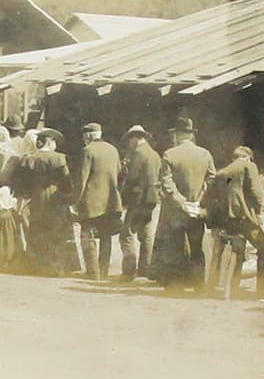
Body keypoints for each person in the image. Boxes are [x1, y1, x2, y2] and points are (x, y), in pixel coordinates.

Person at [152, 117, 216, 290]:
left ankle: (176, 284)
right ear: (191, 135)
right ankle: (198, 284)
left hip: (176, 210)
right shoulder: (205, 154)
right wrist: (200, 199)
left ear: (178, 135)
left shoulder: (169, 154)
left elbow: (166, 182)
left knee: (176, 246)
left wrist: (181, 201)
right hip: (197, 208)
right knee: (197, 245)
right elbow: (212, 180)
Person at [202, 146, 264, 298]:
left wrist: (214, 221)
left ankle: (220, 287)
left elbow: (207, 199)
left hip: (226, 223)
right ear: (247, 157)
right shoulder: (249, 166)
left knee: (234, 251)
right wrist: (258, 212)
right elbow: (256, 193)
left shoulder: (221, 174)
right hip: (245, 221)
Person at [15, 128, 73, 276]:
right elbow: (67, 182)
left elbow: (21, 184)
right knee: (55, 229)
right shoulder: (59, 158)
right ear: (50, 141)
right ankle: (55, 267)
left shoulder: (28, 159)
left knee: (35, 228)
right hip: (54, 197)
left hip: (34, 197)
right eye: (54, 142)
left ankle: (35, 266)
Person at [74, 122, 122, 281]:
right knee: (106, 236)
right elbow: (120, 173)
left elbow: (82, 178)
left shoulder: (87, 151)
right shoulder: (113, 150)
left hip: (91, 202)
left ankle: (92, 272)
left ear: (87, 136)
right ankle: (104, 271)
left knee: (88, 235)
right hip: (111, 201)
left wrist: (76, 200)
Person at [118, 125, 161, 280]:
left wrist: (123, 200)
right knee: (146, 235)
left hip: (137, 200)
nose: (129, 143)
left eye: (130, 139)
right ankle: (146, 269)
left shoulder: (137, 154)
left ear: (136, 138)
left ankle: (129, 271)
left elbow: (132, 179)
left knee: (126, 234)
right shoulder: (155, 155)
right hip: (151, 200)